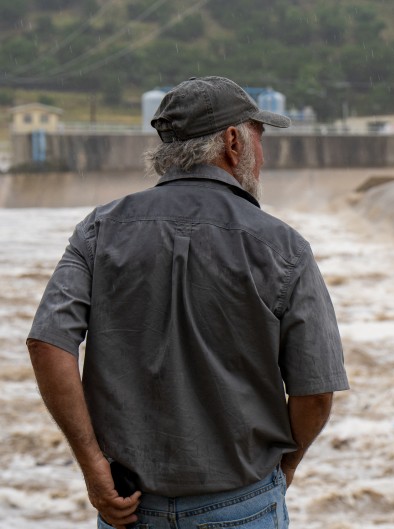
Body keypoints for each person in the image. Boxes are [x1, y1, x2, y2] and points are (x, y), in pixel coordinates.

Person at [26, 76, 348, 529]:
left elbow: (47, 344)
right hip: (241, 505)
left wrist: (93, 467)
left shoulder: (99, 229)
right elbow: (315, 390)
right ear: (234, 142)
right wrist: (285, 469)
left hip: (128, 507)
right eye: (260, 136)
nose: (264, 153)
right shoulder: (283, 246)